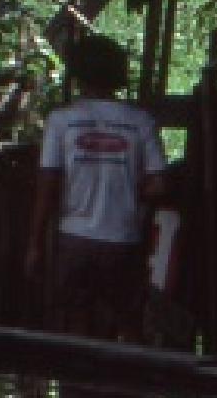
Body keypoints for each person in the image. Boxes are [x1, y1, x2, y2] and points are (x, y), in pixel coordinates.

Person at [27, 32, 167, 341]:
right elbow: (158, 185)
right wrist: (131, 191)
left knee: (77, 325)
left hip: (74, 240)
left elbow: (47, 184)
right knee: (128, 325)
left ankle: (77, 386)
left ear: (78, 75)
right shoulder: (140, 122)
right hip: (124, 242)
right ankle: (125, 383)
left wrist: (35, 244)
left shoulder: (61, 121)